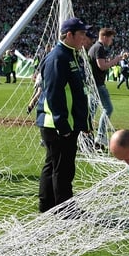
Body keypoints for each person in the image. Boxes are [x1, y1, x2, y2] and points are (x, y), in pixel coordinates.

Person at [35, 17, 91, 213]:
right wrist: (62, 124)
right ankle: (65, 209)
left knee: (54, 165)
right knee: (62, 168)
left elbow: (75, 92)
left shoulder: (70, 55)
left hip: (65, 122)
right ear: (69, 35)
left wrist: (83, 121)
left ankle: (48, 206)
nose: (85, 38)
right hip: (57, 124)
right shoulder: (58, 57)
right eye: (81, 34)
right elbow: (54, 93)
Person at [88, 27, 123, 146]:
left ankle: (87, 136)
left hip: (93, 84)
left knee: (91, 112)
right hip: (98, 84)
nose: (111, 41)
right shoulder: (99, 48)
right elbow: (102, 66)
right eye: (111, 38)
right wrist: (116, 60)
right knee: (108, 108)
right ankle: (100, 136)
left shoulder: (94, 48)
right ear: (104, 37)